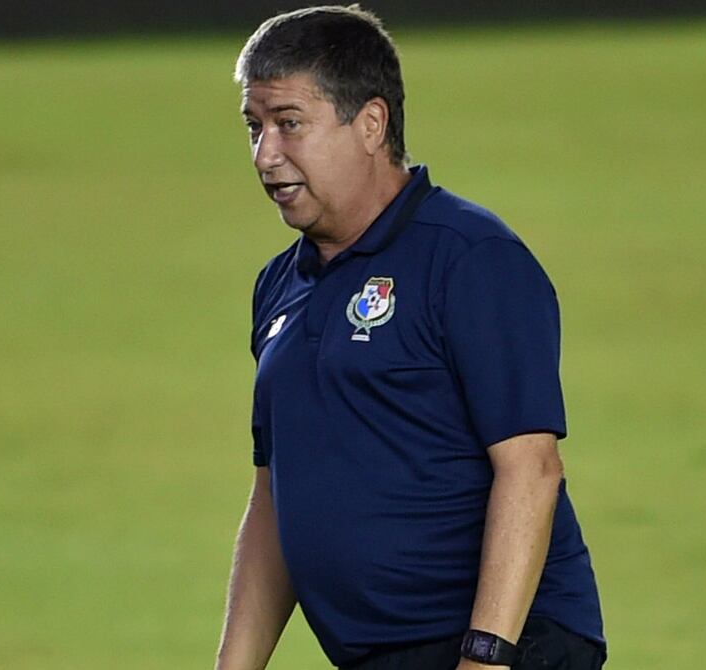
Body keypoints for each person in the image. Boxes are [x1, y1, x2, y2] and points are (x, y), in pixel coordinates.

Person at [215, 6, 606, 670]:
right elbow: (276, 499)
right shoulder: (280, 286)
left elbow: (531, 468)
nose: (265, 155)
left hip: (511, 644)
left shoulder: (469, 257)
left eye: (289, 123)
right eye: (254, 127)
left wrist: (484, 657)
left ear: (371, 123)